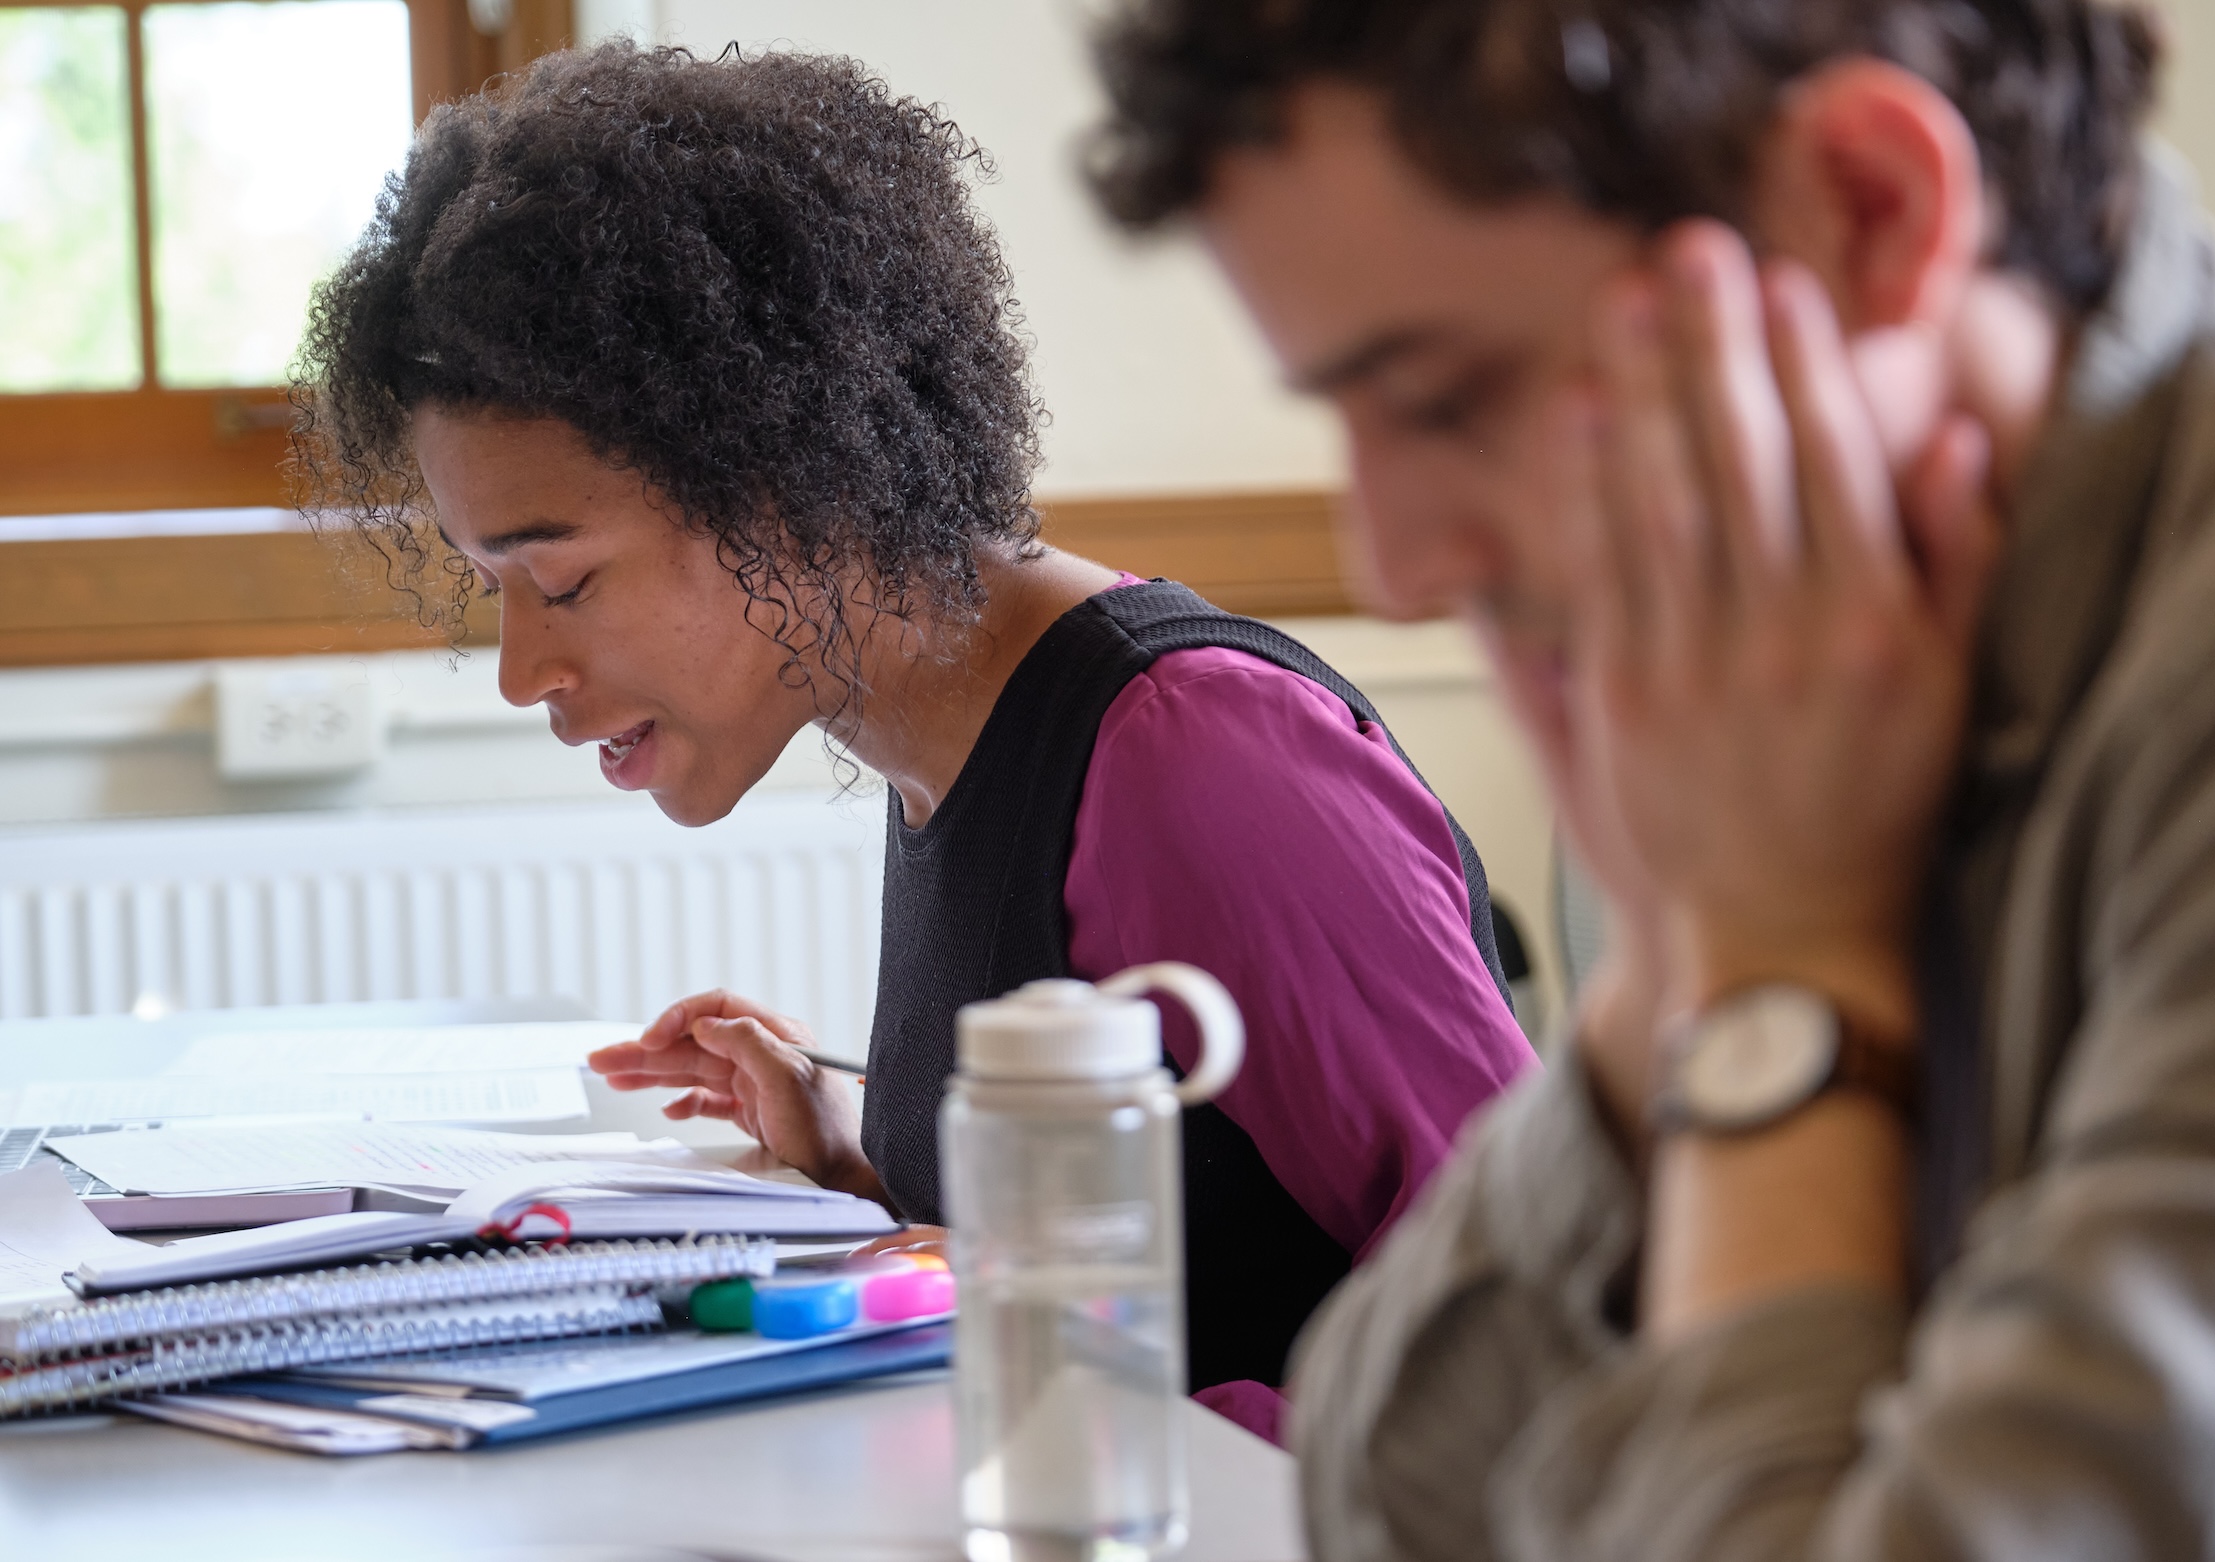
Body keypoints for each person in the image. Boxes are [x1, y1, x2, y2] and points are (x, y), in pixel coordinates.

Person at [1089, 0, 2215, 1554]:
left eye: (1446, 395)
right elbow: (1389, 1490)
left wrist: (1775, 979)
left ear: (1870, 215)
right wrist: (1675, 961)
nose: (1391, 565)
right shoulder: (1795, 710)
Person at [293, 41, 1535, 1416]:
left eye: (564, 580)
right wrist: (850, 1170)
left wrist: (1145, 1447)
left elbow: (1560, 1328)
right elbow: (1174, 1260)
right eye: (496, 595)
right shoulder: (945, 742)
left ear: (781, 477)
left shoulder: (1193, 755)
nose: (525, 670)